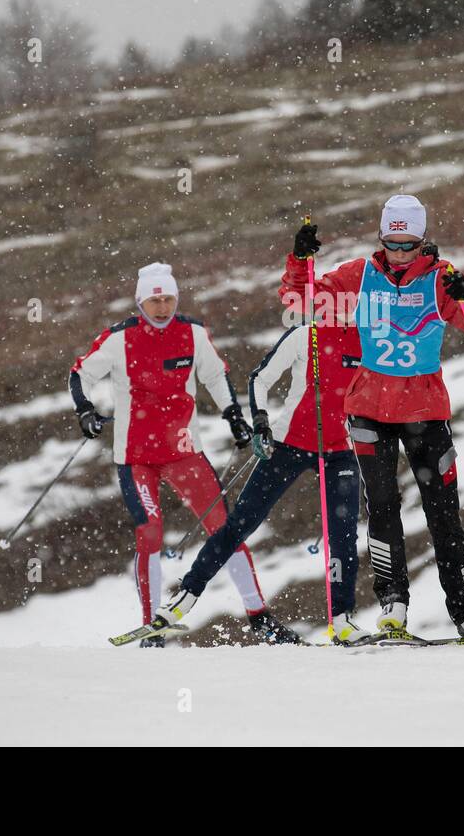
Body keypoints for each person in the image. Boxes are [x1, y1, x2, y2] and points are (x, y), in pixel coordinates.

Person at [279, 195, 464, 640]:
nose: (400, 253)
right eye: (392, 243)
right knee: (383, 508)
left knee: (443, 513)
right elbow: (299, 302)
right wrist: (300, 260)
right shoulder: (358, 275)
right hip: (369, 410)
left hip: (425, 412)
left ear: (422, 241)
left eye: (408, 244)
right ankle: (393, 605)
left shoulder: (443, 280)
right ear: (381, 239)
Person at [69, 262, 291, 646]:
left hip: (185, 451)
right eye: (154, 299)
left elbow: (214, 376)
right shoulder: (119, 339)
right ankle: (151, 630)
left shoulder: (192, 333)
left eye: (168, 297)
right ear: (141, 302)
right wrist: (85, 410)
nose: (162, 306)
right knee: (150, 533)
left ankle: (260, 616)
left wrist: (233, 416)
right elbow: (80, 374)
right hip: (136, 457)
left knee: (226, 530)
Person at [153, 307, 371, 645]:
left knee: (343, 534)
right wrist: (262, 422)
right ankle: (185, 596)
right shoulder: (306, 335)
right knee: (241, 522)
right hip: (288, 444)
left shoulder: (371, 341)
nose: (348, 314)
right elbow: (261, 377)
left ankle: (341, 620)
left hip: (338, 449)